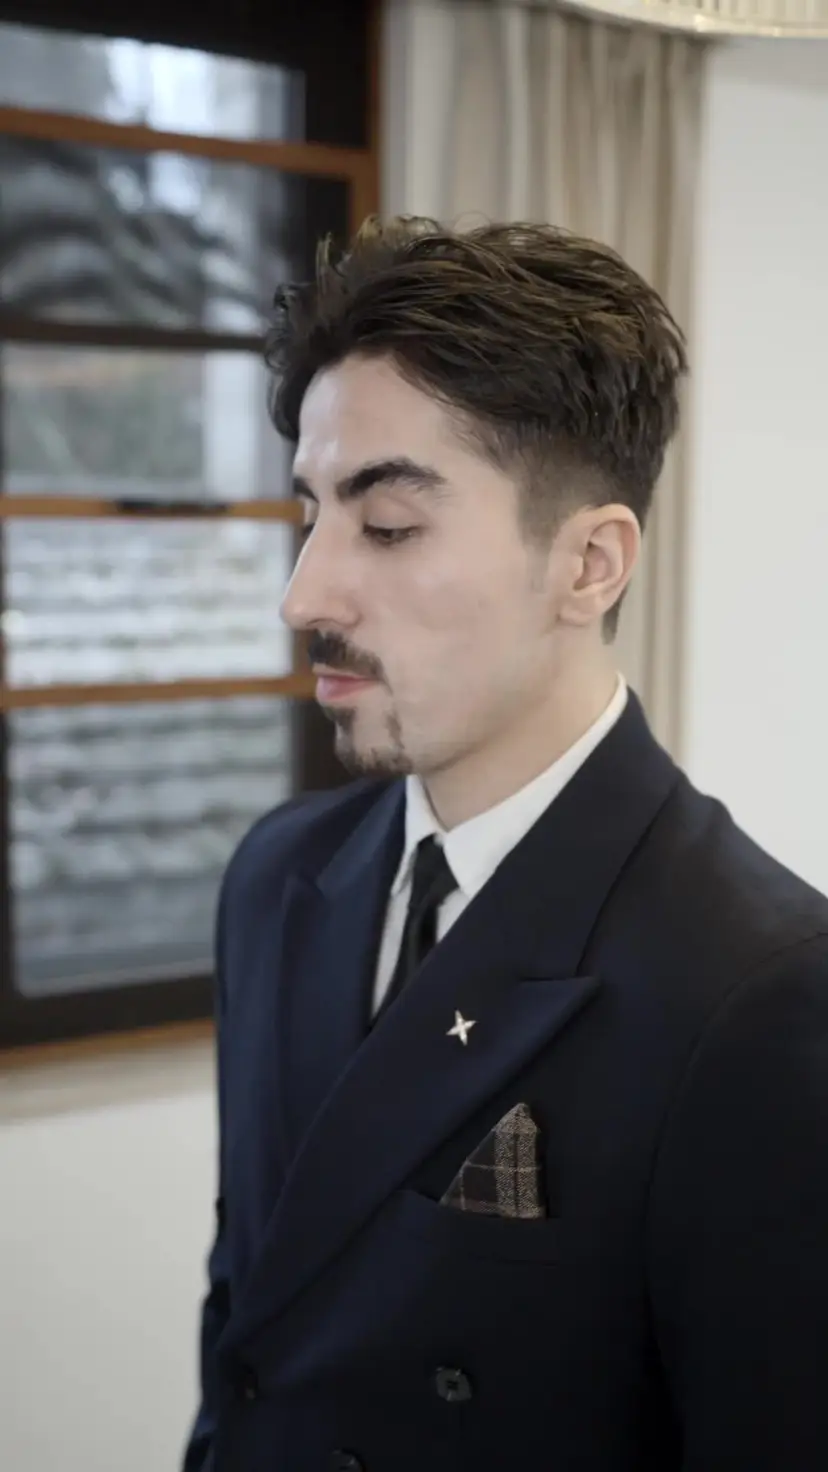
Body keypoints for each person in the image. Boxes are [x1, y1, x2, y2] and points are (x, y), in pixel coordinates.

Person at [183, 217, 828, 1472]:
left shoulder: (759, 990)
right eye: (310, 512)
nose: (304, 594)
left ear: (589, 563)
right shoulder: (277, 877)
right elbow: (245, 1330)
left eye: (387, 524)